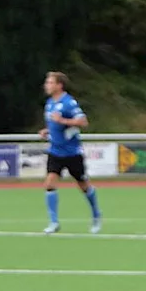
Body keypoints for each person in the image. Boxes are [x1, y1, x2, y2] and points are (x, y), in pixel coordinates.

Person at [40, 71, 101, 234]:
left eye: (50, 82)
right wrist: (48, 130)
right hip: (55, 152)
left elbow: (83, 121)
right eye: (47, 82)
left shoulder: (68, 103)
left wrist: (62, 120)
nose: (47, 85)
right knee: (49, 184)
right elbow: (56, 126)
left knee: (84, 186)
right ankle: (53, 222)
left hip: (72, 153)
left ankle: (96, 215)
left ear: (59, 85)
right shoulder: (49, 103)